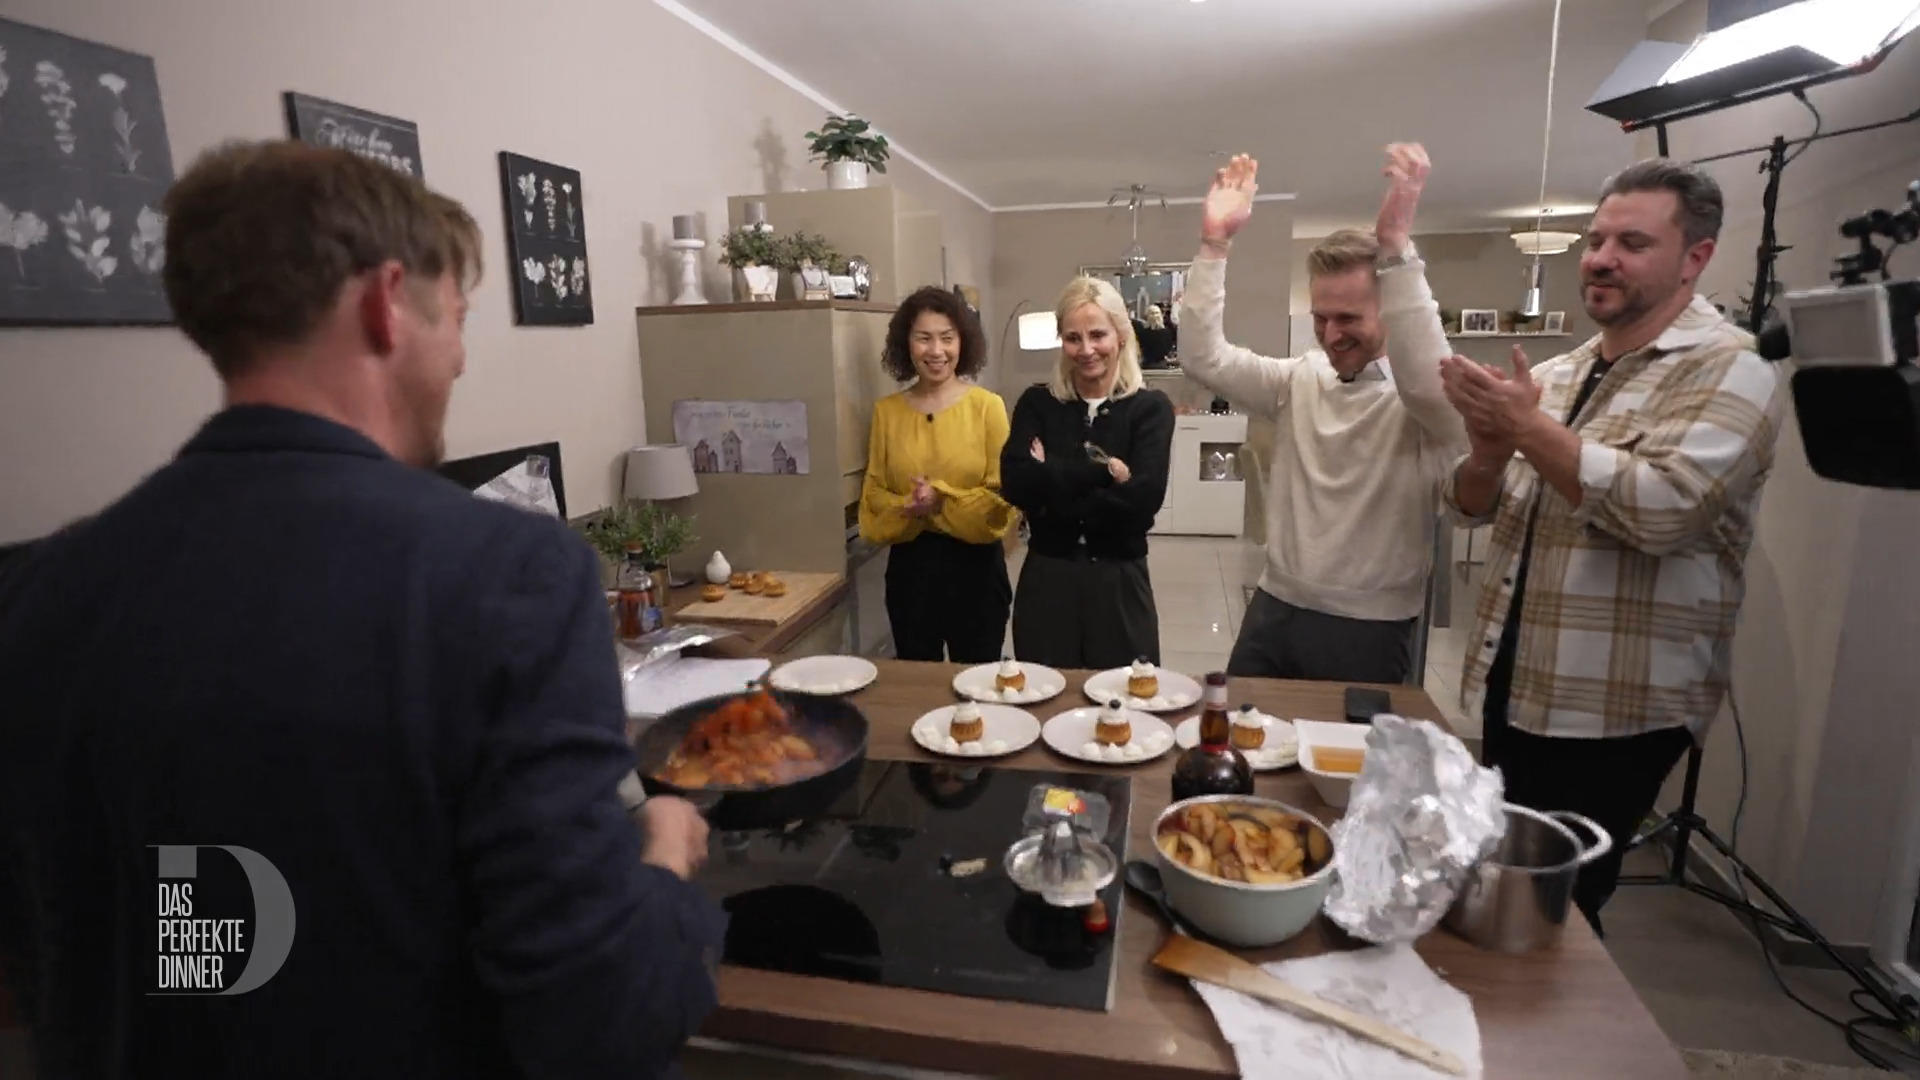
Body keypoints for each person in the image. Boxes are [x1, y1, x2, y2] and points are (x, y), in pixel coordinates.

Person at [0, 141, 723, 1078]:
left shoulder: (38, 588)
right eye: (456, 318)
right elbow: (600, 1017)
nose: (460, 358)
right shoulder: (511, 573)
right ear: (386, 303)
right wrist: (662, 857)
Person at [1439, 158, 1784, 933]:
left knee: (1557, 907)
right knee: (1501, 882)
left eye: (1633, 243)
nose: (1601, 258)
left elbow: (1665, 510)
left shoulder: (1734, 370)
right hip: (1517, 683)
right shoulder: (1560, 374)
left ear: (1695, 257)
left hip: (1614, 708)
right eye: (1596, 240)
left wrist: (1526, 428)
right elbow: (1469, 508)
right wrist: (1488, 452)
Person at [1179, 146, 1465, 684]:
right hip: (1274, 605)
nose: (1331, 335)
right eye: (1321, 318)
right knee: (1239, 731)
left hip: (1372, 624)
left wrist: (1398, 250)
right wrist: (1214, 245)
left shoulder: (1422, 401)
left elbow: (1428, 383)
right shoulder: (1298, 379)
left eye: (1349, 318)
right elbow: (1203, 358)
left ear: (1392, 310)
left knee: (1346, 744)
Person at [1001, 276, 1175, 669]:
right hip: (1047, 581)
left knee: (1126, 695)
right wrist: (1104, 474)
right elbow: (1015, 484)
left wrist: (1050, 478)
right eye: (1072, 338)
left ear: (1121, 335)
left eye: (1098, 335)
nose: (1086, 350)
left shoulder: (1150, 409)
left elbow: (1143, 502)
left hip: (1119, 583)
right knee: (1045, 691)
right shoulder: (1037, 403)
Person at [859, 286, 1014, 662]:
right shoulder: (887, 412)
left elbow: (1003, 495)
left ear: (963, 342)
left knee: (977, 681)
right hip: (910, 569)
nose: (936, 350)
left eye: (947, 338)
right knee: (917, 680)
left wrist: (941, 499)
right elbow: (873, 495)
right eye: (923, 338)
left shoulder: (987, 407)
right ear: (906, 343)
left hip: (977, 569)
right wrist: (908, 506)